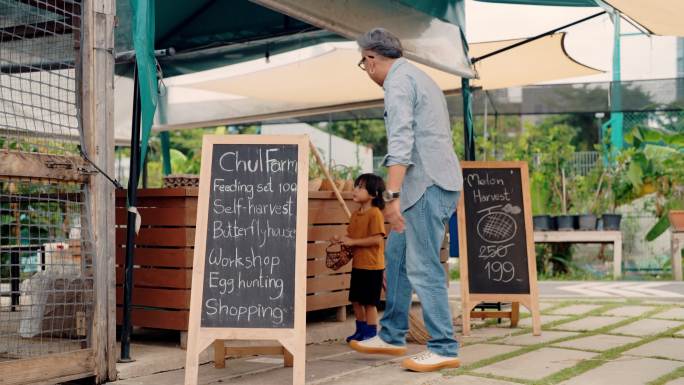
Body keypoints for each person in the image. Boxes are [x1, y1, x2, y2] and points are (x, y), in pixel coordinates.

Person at [349, 28, 464, 373]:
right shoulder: (418, 75)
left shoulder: (397, 83)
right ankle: (393, 333)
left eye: (363, 63)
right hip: (431, 181)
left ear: (371, 59)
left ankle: (444, 346)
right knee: (397, 254)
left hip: (424, 185)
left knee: (423, 265)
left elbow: (401, 141)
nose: (366, 70)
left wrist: (392, 197)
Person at [332, 173, 387, 343]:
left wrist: (353, 241)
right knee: (356, 300)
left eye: (360, 187)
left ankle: (371, 334)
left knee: (369, 303)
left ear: (373, 194)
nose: (355, 190)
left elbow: (377, 238)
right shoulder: (355, 215)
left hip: (372, 267)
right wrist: (340, 239)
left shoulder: (375, 214)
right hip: (358, 265)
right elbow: (351, 236)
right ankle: (360, 330)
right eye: (356, 186)